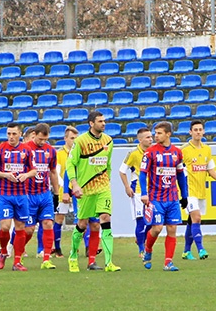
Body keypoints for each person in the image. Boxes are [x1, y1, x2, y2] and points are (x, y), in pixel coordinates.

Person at [66, 110, 115, 272]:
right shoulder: (80, 141)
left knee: (104, 219)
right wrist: (75, 184)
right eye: (100, 121)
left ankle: (107, 262)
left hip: (103, 187)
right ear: (91, 123)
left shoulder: (108, 141)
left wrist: (107, 178)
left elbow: (107, 164)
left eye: (104, 121)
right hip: (85, 189)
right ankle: (73, 256)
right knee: (83, 223)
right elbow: (70, 164)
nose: (103, 123)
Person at [139, 121, 188, 271]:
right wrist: (144, 193)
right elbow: (142, 174)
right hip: (156, 197)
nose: (156, 136)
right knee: (157, 228)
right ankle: (148, 249)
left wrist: (184, 195)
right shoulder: (150, 152)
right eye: (155, 133)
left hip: (172, 197)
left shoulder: (177, 152)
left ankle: (168, 262)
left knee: (172, 228)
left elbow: (181, 175)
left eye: (159, 133)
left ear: (168, 134)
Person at [0, 123, 37, 271]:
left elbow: (34, 170)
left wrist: (26, 175)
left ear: (20, 134)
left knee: (21, 227)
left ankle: (17, 262)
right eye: (9, 134)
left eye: (14, 134)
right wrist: (5, 175)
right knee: (5, 227)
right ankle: (3, 251)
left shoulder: (27, 150)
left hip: (22, 194)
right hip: (5, 194)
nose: (11, 137)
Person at [180, 120, 216, 260]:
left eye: (200, 129)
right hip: (188, 191)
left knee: (191, 220)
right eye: (195, 130)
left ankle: (186, 251)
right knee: (197, 217)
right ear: (190, 132)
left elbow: (210, 168)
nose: (198, 132)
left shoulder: (207, 149)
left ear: (204, 132)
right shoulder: (184, 150)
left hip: (201, 191)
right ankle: (201, 249)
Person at [24, 123, 63, 270]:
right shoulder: (25, 149)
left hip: (44, 193)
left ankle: (46, 259)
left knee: (48, 223)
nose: (42, 142)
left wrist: (56, 192)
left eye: (45, 139)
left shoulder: (50, 151)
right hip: (28, 194)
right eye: (40, 139)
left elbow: (53, 172)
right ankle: (17, 250)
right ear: (35, 135)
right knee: (28, 229)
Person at [119, 127, 153, 258]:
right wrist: (127, 187)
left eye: (151, 137)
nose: (151, 139)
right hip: (138, 191)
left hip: (152, 191)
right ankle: (141, 249)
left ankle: (141, 239)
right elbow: (122, 171)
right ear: (140, 140)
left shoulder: (154, 152)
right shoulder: (133, 154)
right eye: (148, 137)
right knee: (141, 221)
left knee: (152, 222)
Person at [53, 126, 80, 258]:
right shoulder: (59, 154)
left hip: (77, 190)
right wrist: (64, 189)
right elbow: (57, 174)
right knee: (59, 218)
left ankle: (77, 247)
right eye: (71, 138)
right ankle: (57, 249)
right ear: (65, 139)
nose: (74, 141)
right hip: (65, 189)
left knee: (80, 219)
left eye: (76, 138)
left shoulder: (79, 153)